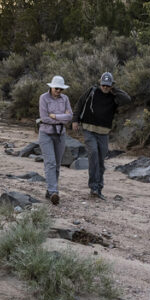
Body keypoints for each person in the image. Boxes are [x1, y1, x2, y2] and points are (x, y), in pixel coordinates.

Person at [74, 71, 131, 200]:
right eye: (103, 84)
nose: (105, 87)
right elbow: (80, 104)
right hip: (88, 129)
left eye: (107, 85)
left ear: (111, 85)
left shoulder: (114, 96)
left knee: (100, 160)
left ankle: (98, 188)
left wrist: (114, 89)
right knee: (93, 154)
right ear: (100, 83)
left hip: (104, 133)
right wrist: (75, 120)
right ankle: (93, 187)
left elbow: (127, 99)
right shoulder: (92, 91)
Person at [38, 75, 74, 205]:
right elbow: (44, 118)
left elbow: (70, 116)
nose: (58, 91)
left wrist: (55, 116)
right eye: (56, 88)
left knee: (57, 164)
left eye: (61, 89)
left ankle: (50, 190)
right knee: (50, 162)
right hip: (46, 134)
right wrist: (62, 117)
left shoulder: (65, 99)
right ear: (51, 87)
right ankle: (54, 191)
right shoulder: (43, 98)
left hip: (60, 134)